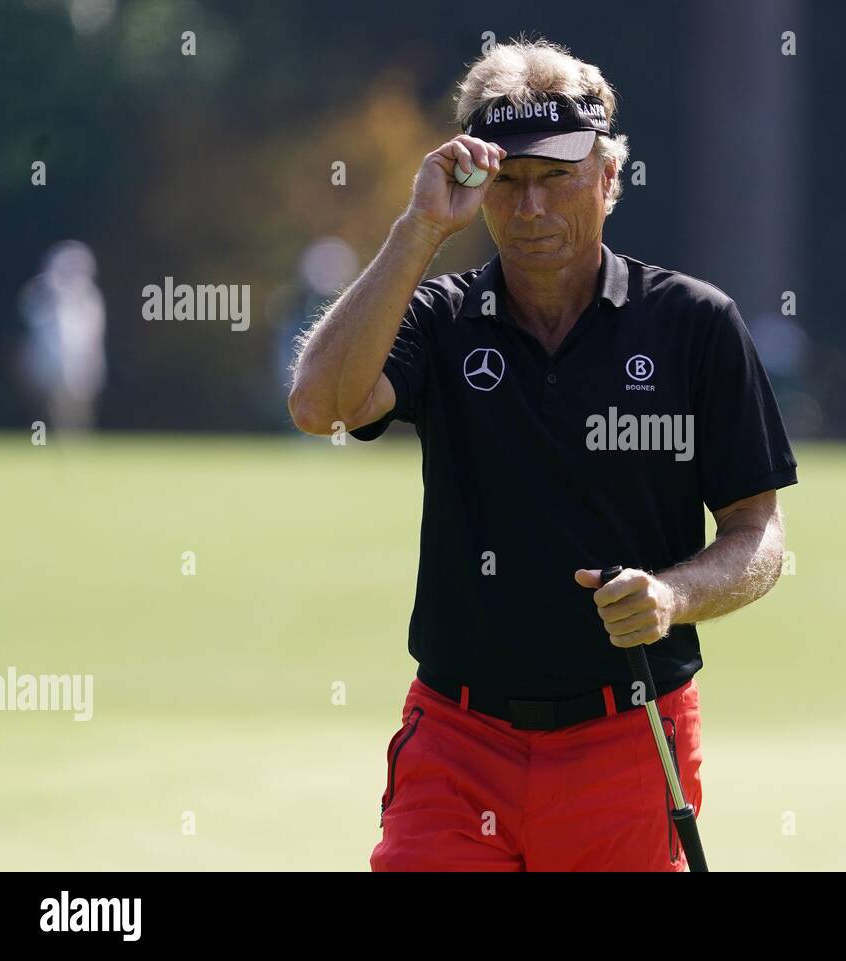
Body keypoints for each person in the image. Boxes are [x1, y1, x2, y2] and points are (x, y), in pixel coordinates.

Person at [288, 39, 798, 871]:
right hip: (458, 741)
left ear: (608, 178)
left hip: (631, 735)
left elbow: (760, 533)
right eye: (509, 184)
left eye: (557, 177)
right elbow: (321, 405)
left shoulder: (694, 325)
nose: (531, 211)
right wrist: (419, 229)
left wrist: (672, 594)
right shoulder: (440, 319)